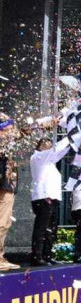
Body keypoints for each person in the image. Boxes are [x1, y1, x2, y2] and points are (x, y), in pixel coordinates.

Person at [30, 136, 71, 266]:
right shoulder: (38, 158)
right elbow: (55, 150)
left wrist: (73, 141)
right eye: (47, 145)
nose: (50, 147)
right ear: (40, 146)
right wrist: (70, 136)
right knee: (42, 228)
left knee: (51, 229)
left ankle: (47, 255)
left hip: (53, 198)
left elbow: (61, 152)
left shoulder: (49, 162)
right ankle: (37, 255)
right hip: (43, 198)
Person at [0, 113, 20, 270]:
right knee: (2, 223)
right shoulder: (2, 143)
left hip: (7, 187)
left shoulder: (8, 144)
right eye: (9, 129)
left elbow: (21, 133)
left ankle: (0, 256)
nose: (13, 132)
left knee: (5, 223)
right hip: (3, 188)